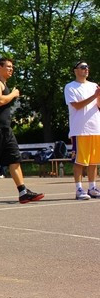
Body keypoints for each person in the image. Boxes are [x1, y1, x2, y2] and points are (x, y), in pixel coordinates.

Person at [0, 57, 44, 205]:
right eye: (8, 66)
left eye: (12, 67)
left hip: (6, 128)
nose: (11, 69)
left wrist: (12, 93)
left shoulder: (4, 85)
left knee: (15, 159)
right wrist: (13, 94)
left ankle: (23, 192)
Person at [64, 60, 100, 200]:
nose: (86, 69)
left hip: (95, 128)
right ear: (75, 70)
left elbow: (98, 105)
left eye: (87, 67)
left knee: (93, 161)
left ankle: (92, 187)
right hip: (80, 129)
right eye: (83, 67)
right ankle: (79, 189)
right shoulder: (70, 87)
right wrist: (94, 96)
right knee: (79, 161)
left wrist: (98, 96)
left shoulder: (93, 86)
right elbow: (77, 106)